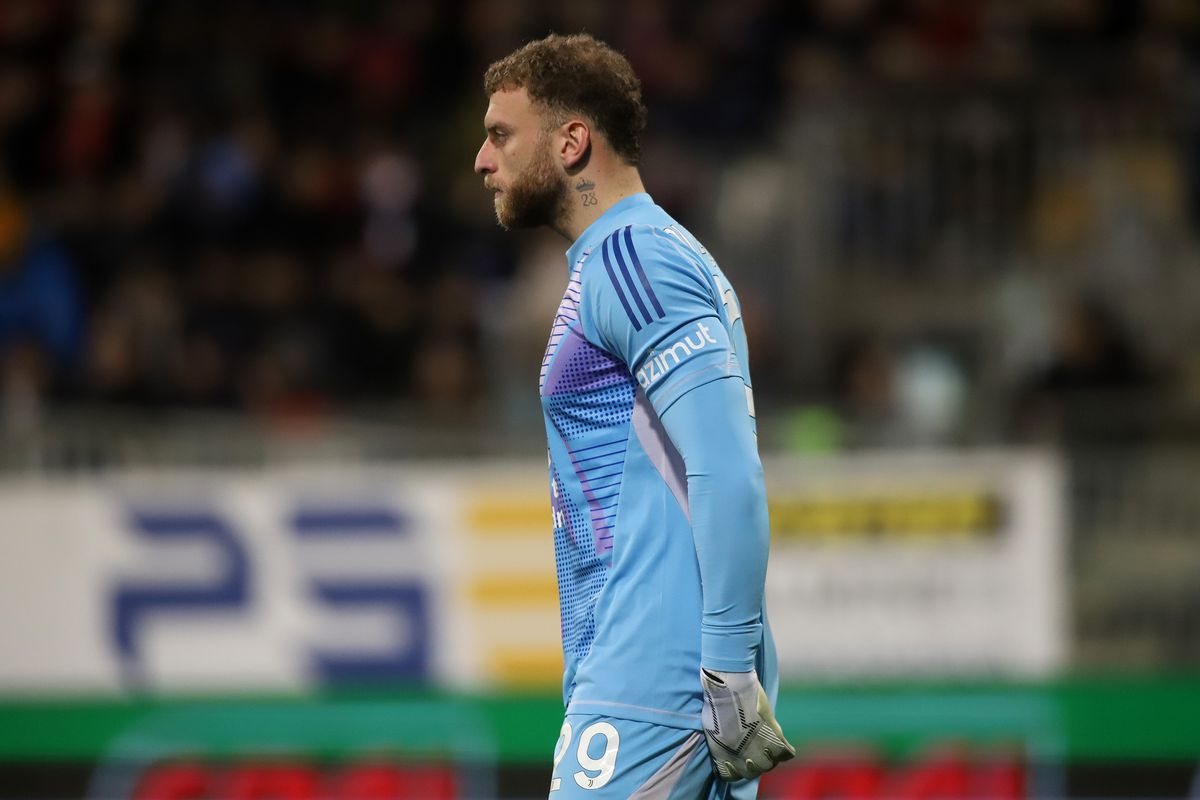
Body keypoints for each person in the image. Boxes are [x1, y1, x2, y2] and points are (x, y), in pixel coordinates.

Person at [474, 34, 794, 799]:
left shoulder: (635, 262)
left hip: (654, 681)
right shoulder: (640, 258)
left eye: (501, 135)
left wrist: (725, 670)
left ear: (572, 141)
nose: (483, 161)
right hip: (654, 678)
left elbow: (727, 471)